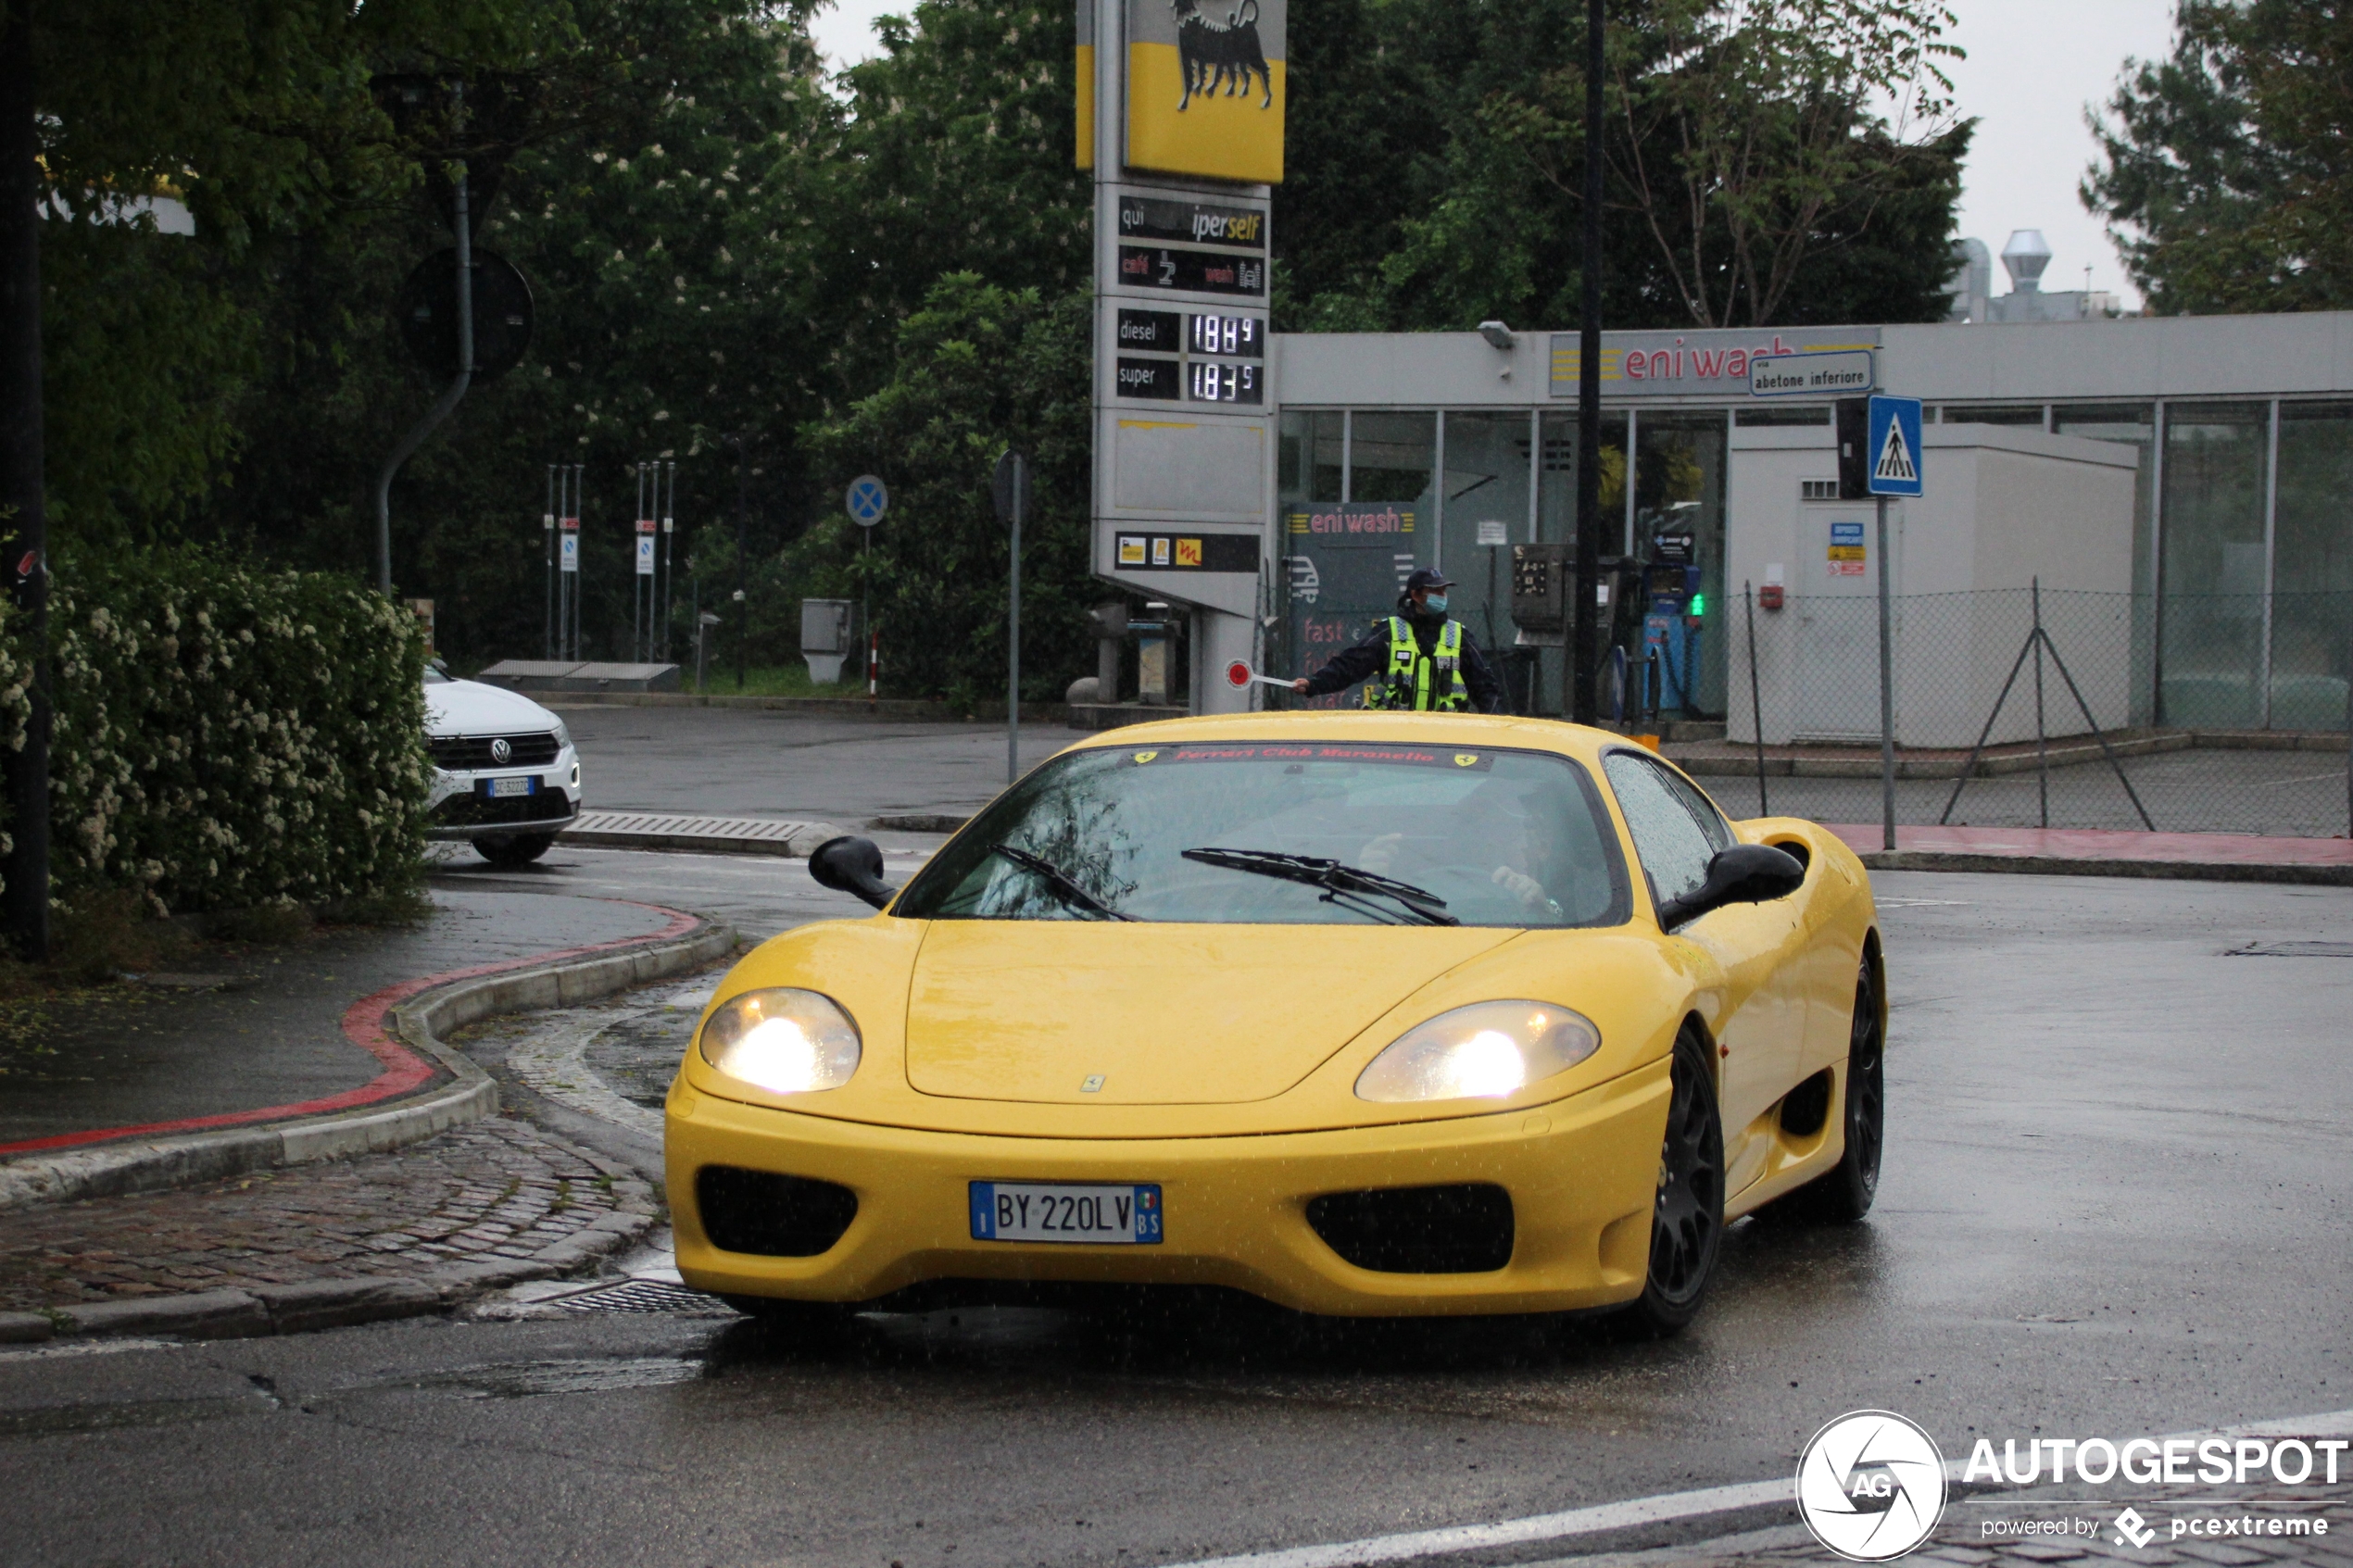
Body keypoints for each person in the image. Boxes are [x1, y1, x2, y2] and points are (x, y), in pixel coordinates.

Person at [1290, 568, 1504, 712]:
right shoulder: (1389, 632)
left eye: (1443, 591)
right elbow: (1351, 666)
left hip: (1444, 734)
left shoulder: (1459, 635)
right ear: (1416, 595)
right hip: (1394, 733)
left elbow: (1484, 686)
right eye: (1435, 591)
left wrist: (1497, 727)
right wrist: (1314, 684)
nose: (1442, 595)